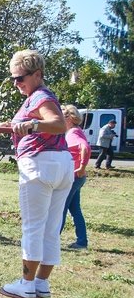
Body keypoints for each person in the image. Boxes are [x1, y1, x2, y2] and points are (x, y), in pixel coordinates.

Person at [0, 49, 72, 298]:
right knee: (50, 227)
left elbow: (58, 123)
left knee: (33, 227)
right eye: (13, 79)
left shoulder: (40, 96)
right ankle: (41, 283)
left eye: (20, 78)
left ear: (37, 74)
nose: (16, 83)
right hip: (59, 164)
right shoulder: (37, 96)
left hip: (40, 164)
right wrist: (15, 125)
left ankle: (26, 284)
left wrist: (32, 124)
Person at [61, 105, 90, 250]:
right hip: (77, 177)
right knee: (75, 209)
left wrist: (82, 166)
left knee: (61, 208)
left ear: (69, 118)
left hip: (74, 177)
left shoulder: (73, 132)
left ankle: (52, 240)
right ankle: (82, 242)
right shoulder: (75, 131)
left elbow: (85, 147)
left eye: (61, 117)